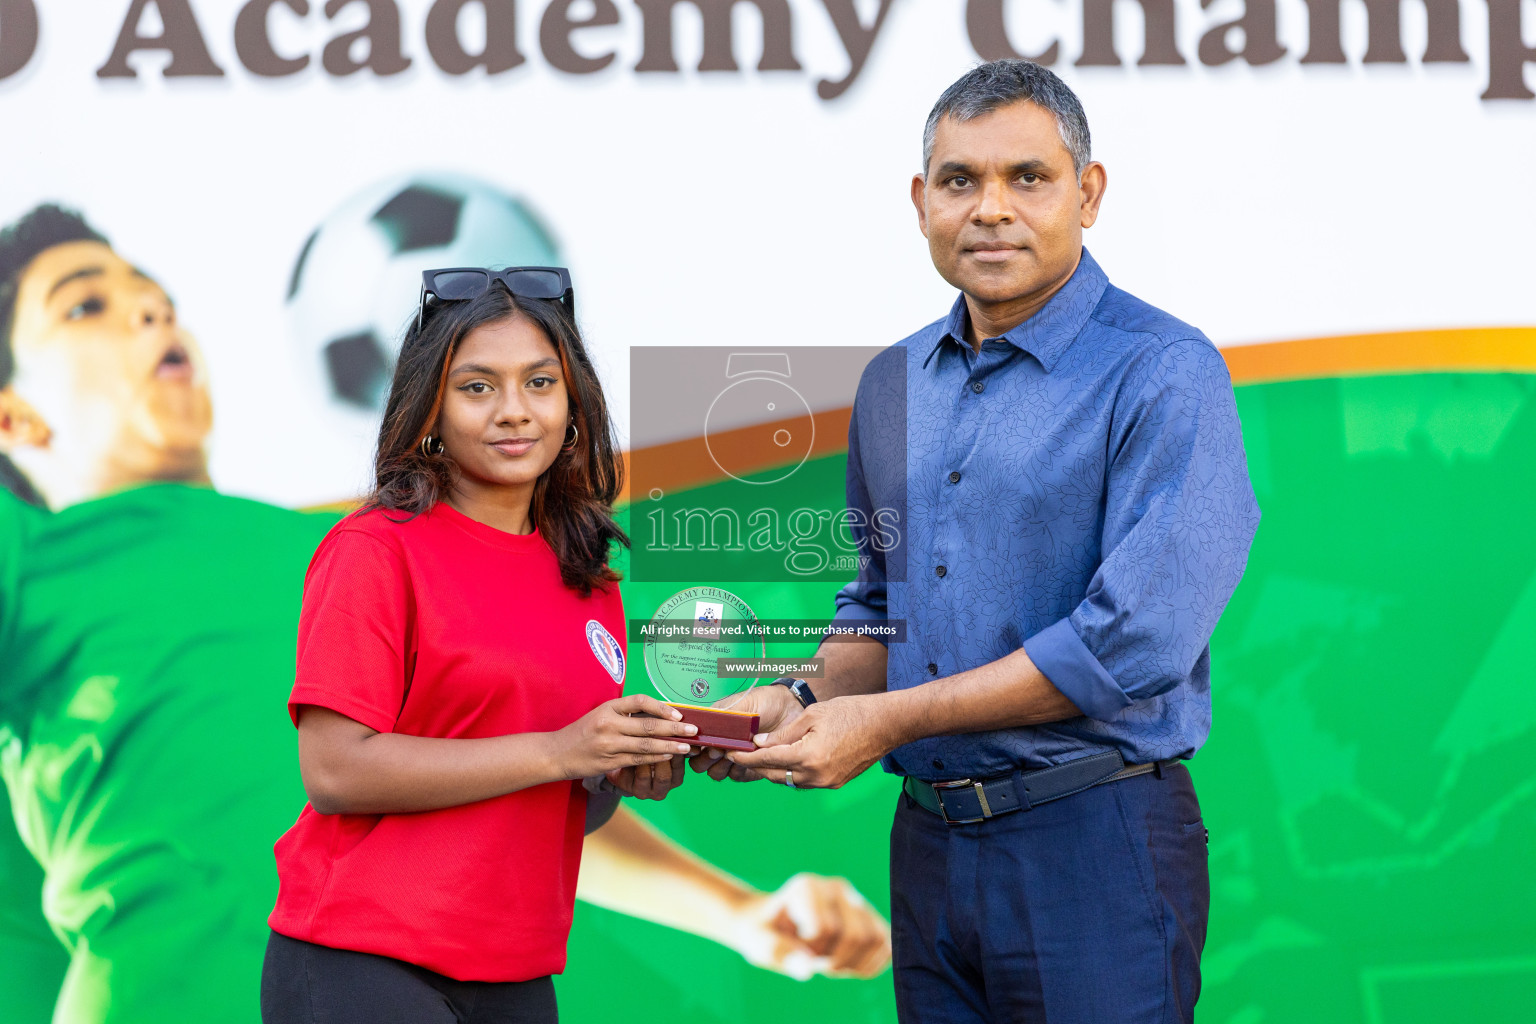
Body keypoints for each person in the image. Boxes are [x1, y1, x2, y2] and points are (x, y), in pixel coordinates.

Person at [0, 206, 888, 1024]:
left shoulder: (359, 542)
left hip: (491, 977)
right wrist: (564, 752)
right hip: (207, 992)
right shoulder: (40, 561)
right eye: (84, 307)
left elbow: (510, 789)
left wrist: (734, 905)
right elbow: (349, 770)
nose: (155, 317)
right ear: (14, 414)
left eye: (160, 300)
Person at [700, 60, 1261, 1023]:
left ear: (1088, 194)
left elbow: (1133, 643)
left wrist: (885, 724)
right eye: (960, 180)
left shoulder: (1166, 372)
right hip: (931, 847)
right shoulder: (891, 383)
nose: (990, 208)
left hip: (1094, 842)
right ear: (921, 203)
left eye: (1028, 178)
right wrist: (794, 700)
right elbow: (882, 610)